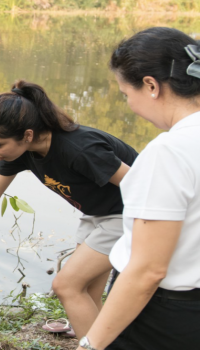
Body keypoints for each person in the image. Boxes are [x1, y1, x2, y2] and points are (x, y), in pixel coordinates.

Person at [0, 80, 138, 338]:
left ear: (28, 135)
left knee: (67, 286)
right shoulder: (21, 151)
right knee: (85, 290)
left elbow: (142, 185)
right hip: (96, 215)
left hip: (126, 215)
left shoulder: (80, 148)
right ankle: (99, 339)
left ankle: (93, 345)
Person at [76, 27, 200, 350]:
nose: (129, 104)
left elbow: (148, 270)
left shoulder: (169, 152)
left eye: (125, 94)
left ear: (151, 86)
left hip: (162, 316)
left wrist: (91, 344)